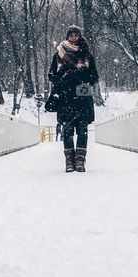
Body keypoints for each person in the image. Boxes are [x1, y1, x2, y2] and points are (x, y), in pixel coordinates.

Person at [47, 25, 99, 172]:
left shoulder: (87, 55)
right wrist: (63, 80)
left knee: (82, 130)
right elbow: (51, 75)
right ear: (67, 36)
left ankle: (80, 161)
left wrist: (84, 78)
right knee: (67, 130)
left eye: (76, 35)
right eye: (71, 35)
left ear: (79, 36)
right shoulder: (58, 55)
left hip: (82, 95)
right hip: (65, 96)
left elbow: (94, 76)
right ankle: (69, 162)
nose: (74, 37)